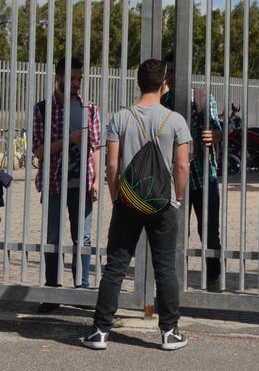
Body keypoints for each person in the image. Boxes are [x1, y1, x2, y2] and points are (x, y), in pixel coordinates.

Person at [83, 59, 192, 351]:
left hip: (128, 201)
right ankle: (169, 333)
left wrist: (116, 195)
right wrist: (177, 198)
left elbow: (111, 165)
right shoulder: (175, 120)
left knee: (116, 266)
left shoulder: (120, 118)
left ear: (138, 83)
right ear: (164, 84)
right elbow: (181, 166)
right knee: (165, 268)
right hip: (163, 203)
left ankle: (100, 332)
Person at [32, 57, 101, 311]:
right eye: (71, 78)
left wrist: (95, 180)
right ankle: (51, 291)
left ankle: (81, 290)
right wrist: (69, 140)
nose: (75, 83)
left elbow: (94, 146)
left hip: (82, 182)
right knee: (52, 236)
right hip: (53, 182)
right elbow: (39, 152)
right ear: (58, 78)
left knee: (82, 237)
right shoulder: (42, 109)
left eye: (79, 79)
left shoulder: (89, 108)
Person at [161, 52, 224, 291]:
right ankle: (177, 282)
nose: (172, 76)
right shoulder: (163, 103)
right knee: (177, 233)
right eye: (169, 72)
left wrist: (214, 135)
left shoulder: (202, 98)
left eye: (177, 71)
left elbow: (217, 131)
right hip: (175, 179)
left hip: (204, 177)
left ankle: (214, 282)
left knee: (209, 233)